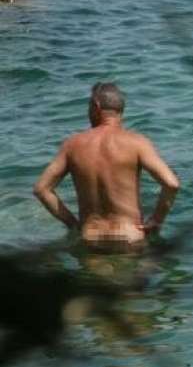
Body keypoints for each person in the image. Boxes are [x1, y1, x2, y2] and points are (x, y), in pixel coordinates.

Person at [33, 83, 180, 250]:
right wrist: (156, 221)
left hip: (91, 239)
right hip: (129, 238)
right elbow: (171, 184)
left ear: (96, 106)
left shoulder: (72, 145)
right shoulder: (137, 142)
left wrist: (73, 224)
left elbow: (41, 189)